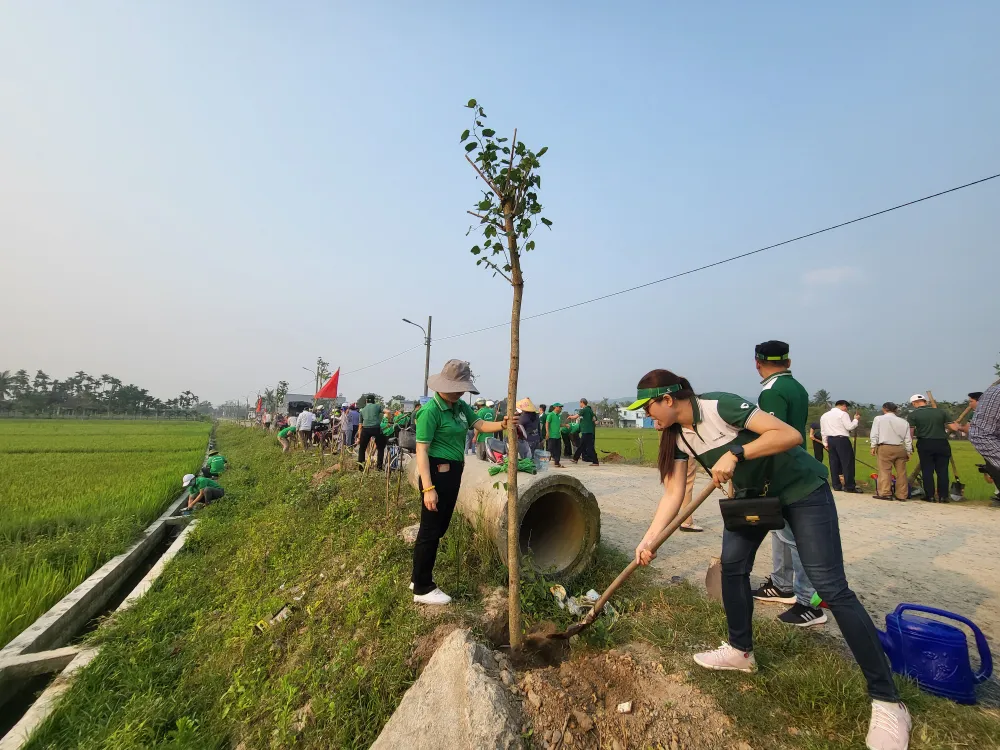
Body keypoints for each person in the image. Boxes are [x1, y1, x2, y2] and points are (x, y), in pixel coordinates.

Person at [629, 369, 910, 750]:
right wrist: (649, 539)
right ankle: (740, 651)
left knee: (829, 586)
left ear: (668, 400)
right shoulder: (678, 436)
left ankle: (887, 700)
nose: (648, 416)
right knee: (732, 567)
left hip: (801, 491)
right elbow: (673, 493)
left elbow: (788, 435)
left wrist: (737, 451)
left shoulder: (719, 405)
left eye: (648, 407)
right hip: (752, 499)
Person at [411, 360, 508, 605]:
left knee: (438, 527)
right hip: (436, 473)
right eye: (457, 387)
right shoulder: (430, 412)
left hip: (453, 473)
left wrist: (504, 424)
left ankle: (417, 576)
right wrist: (428, 488)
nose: (461, 392)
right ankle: (422, 588)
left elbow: (481, 425)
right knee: (430, 529)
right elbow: (421, 451)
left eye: (463, 388)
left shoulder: (460, 407)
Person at [749, 340, 823, 626]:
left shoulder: (772, 391)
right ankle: (782, 584)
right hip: (795, 462)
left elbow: (773, 437)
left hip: (783, 469)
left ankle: (809, 601)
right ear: (788, 362)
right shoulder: (798, 388)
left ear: (757, 362)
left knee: (794, 537)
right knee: (781, 532)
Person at [906, 394, 953, 503]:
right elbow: (953, 427)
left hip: (925, 443)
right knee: (943, 471)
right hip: (942, 443)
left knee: (927, 470)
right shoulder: (941, 412)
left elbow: (911, 432)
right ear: (925, 401)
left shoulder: (913, 415)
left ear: (914, 403)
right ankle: (943, 497)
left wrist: (909, 445)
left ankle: (930, 496)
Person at [964, 383, 1000, 506]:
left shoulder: (992, 393)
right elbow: (980, 433)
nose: (970, 403)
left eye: (971, 401)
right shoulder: (994, 395)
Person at [869, 403, 912, 500]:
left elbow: (875, 433)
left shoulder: (879, 419)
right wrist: (909, 451)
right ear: (895, 410)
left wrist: (873, 446)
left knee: (885, 470)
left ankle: (885, 492)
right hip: (900, 447)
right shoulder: (904, 422)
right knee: (901, 473)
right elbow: (908, 438)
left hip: (885, 447)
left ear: (884, 409)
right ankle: (902, 494)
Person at [820, 400, 862, 492]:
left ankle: (836, 485)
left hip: (830, 439)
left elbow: (823, 431)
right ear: (843, 406)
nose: (846, 409)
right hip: (842, 439)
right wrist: (855, 419)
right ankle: (849, 486)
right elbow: (849, 427)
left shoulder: (824, 415)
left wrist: (825, 443)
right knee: (847, 463)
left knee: (834, 463)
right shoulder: (843, 414)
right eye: (846, 407)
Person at [356, 395, 387, 471]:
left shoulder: (362, 410)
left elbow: (360, 426)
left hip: (365, 429)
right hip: (376, 429)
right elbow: (387, 411)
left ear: (366, 401)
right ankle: (379, 467)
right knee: (380, 448)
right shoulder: (377, 406)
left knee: (362, 448)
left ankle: (361, 467)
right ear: (373, 401)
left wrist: (359, 437)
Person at [571, 398, 599, 466]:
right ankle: (575, 459)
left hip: (586, 431)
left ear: (582, 402)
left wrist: (570, 417)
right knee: (583, 446)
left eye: (580, 403)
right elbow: (595, 420)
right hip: (589, 431)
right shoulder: (590, 410)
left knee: (588, 447)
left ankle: (595, 461)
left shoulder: (584, 410)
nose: (579, 404)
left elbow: (575, 417)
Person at [545, 403, 566, 468]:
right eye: (560, 407)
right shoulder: (550, 415)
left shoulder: (558, 416)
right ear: (555, 407)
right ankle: (544, 461)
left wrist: (565, 425)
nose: (561, 409)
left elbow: (558, 424)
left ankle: (557, 462)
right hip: (552, 435)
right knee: (550, 449)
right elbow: (547, 423)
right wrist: (547, 432)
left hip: (558, 435)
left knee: (558, 449)